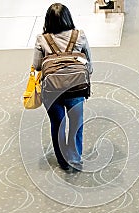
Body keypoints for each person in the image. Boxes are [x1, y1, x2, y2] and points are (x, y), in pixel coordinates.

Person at [33, 3, 93, 171]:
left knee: (57, 124)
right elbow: (90, 65)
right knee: (76, 123)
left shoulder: (42, 39)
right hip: (76, 88)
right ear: (68, 18)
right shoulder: (79, 35)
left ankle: (62, 161)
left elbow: (37, 66)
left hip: (51, 91)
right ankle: (75, 158)